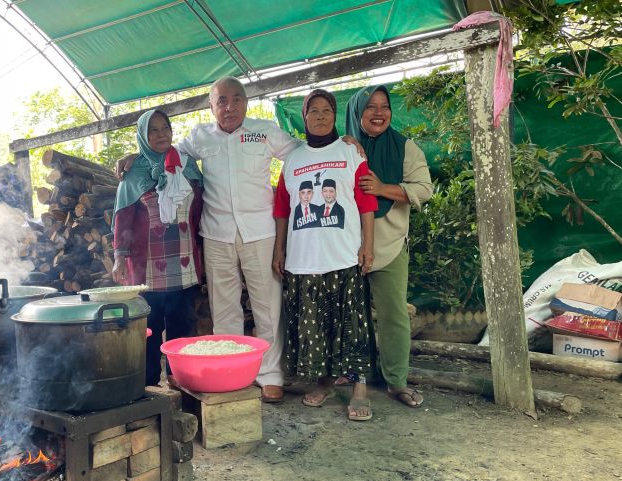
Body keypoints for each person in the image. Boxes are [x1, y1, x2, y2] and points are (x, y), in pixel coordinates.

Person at [117, 77, 366, 403]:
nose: (229, 106)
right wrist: (132, 158)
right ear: (212, 106)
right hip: (216, 234)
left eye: (236, 99)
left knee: (267, 307)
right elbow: (165, 151)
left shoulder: (264, 131)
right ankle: (232, 374)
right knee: (225, 311)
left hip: (260, 233)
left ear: (246, 102)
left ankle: (269, 376)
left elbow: (304, 149)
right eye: (222, 100)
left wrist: (342, 141)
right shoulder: (200, 137)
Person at [272, 89, 377, 420]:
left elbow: (366, 203)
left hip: (344, 254)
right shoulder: (292, 160)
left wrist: (368, 245)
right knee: (314, 327)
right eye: (313, 111)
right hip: (305, 260)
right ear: (304, 117)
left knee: (353, 326)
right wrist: (279, 249)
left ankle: (360, 389)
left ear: (335, 115)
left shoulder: (350, 153)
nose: (320, 116)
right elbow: (281, 210)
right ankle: (325, 381)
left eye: (326, 110)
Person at [346, 85, 433, 408]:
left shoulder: (405, 148)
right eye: (370, 107)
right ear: (356, 112)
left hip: (390, 243)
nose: (379, 113)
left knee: (394, 314)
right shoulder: (344, 147)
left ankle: (396, 381)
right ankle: (357, 375)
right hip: (345, 247)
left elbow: (424, 189)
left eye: (385, 106)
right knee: (352, 316)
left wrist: (383, 188)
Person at [112, 109, 204, 387]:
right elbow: (123, 217)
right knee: (148, 333)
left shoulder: (187, 166)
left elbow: (201, 208)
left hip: (185, 265)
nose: (161, 134)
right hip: (147, 271)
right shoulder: (133, 172)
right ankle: (149, 389)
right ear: (143, 135)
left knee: (182, 330)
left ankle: (181, 386)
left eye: (166, 128)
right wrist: (119, 258)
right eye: (153, 130)